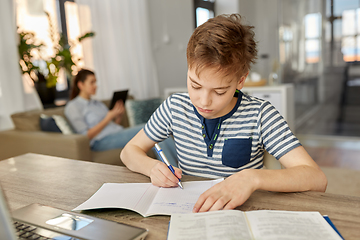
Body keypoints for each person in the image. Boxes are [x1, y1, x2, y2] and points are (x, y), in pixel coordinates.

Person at [120, 14, 327, 212]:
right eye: (195, 85)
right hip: (188, 210)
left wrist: (252, 178)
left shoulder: (261, 115)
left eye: (219, 91)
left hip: (242, 213)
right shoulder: (175, 107)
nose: (204, 101)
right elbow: (129, 151)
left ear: (240, 81)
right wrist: (151, 167)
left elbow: (316, 179)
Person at [64, 69, 177, 163]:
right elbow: (86, 136)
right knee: (153, 130)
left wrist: (117, 116)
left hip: (116, 134)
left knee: (159, 134)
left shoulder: (97, 103)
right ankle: (176, 171)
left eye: (96, 82)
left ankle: (180, 167)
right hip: (100, 142)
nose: (95, 86)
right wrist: (108, 117)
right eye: (92, 82)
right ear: (81, 85)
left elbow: (112, 126)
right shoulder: (73, 107)